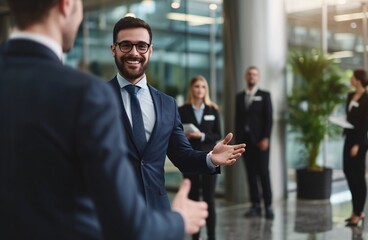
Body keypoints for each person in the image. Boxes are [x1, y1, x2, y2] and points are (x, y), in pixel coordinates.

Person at [0, 0, 209, 239]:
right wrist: (179, 221)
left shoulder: (163, 103)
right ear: (66, 5)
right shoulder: (86, 94)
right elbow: (128, 226)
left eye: (142, 46)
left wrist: (210, 158)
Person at [108, 16, 246, 211]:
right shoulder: (94, 99)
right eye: (125, 45)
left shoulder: (167, 104)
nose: (134, 53)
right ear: (113, 49)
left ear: (150, 50)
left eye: (141, 46)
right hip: (110, 213)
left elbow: (181, 155)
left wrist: (210, 158)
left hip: (157, 213)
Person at [179, 75, 222, 240]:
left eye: (203, 87)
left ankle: (212, 236)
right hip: (190, 158)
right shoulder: (182, 110)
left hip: (210, 158)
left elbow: (217, 133)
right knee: (193, 198)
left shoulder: (213, 109)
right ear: (192, 89)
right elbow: (177, 132)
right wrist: (186, 136)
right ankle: (195, 237)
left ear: (206, 90)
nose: (200, 90)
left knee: (209, 199)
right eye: (197, 86)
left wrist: (202, 135)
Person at [235, 66, 274, 220]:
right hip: (245, 143)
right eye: (249, 74)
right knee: (250, 175)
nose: (252, 77)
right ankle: (255, 205)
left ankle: (268, 206)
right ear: (246, 77)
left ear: (258, 78)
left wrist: (266, 138)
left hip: (260, 142)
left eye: (255, 74)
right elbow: (237, 120)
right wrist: (237, 142)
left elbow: (269, 119)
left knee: (263, 173)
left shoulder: (265, 95)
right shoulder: (239, 97)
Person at [343, 69, 368, 227]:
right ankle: (355, 209)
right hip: (348, 139)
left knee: (358, 177)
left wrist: (357, 144)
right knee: (348, 172)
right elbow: (349, 117)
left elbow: (367, 123)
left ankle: (359, 211)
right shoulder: (350, 96)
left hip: (359, 142)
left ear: (358, 80)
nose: (350, 79)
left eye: (352, 77)